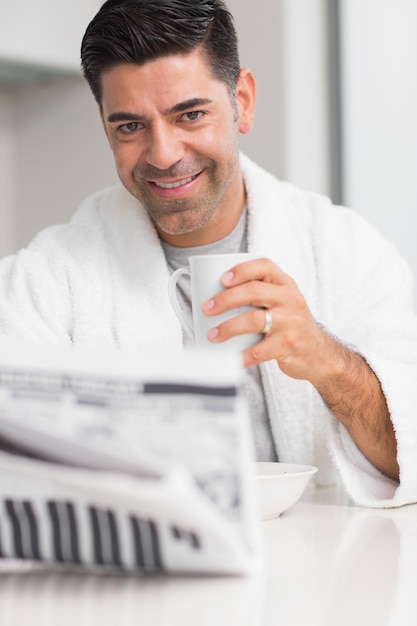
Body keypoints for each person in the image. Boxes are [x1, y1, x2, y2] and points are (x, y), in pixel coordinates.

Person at [0, 0, 416, 508]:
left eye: (190, 115)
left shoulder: (348, 252)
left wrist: (328, 361)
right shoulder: (44, 283)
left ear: (243, 99)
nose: (164, 154)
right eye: (130, 126)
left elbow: (411, 457)